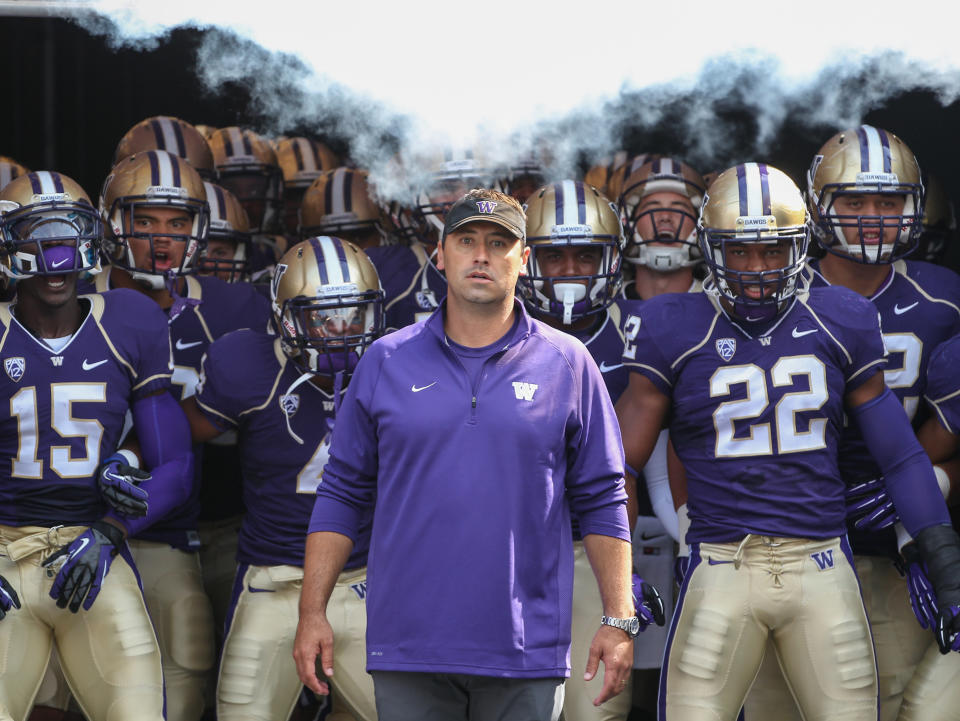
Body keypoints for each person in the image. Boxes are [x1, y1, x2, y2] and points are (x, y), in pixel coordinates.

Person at [614, 162, 960, 721]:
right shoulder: (673, 324)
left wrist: (941, 555)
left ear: (800, 246)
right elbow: (621, 466)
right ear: (711, 247)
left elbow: (899, 456)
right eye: (740, 251)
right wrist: (618, 567)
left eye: (773, 251)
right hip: (720, 563)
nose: (756, 268)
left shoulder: (841, 317)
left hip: (821, 562)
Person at [294, 188, 636, 721]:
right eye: (467, 240)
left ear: (523, 260)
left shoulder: (569, 362)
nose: (482, 255)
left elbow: (603, 498)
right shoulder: (386, 359)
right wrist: (311, 611)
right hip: (410, 645)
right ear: (440, 254)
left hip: (527, 649)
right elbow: (341, 493)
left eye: (499, 243)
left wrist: (619, 616)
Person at [0, 170, 194, 721]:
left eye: (66, 239)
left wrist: (113, 528)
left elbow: (176, 468)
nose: (54, 259)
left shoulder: (128, 320)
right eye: (37, 240)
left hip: (92, 550)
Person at [96, 149, 272, 721]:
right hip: (75, 515)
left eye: (177, 224)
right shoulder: (67, 300)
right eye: (144, 221)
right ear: (113, 222)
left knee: (197, 662)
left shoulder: (236, 307)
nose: (161, 239)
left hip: (213, 521)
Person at [181, 236, 383, 721]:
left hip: (366, 580)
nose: (338, 331)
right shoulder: (247, 365)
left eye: (352, 315)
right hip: (273, 580)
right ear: (285, 317)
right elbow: (180, 430)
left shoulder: (394, 368)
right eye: (321, 316)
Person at [520, 180, 666, 721]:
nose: (570, 271)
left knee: (599, 708)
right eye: (554, 256)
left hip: (600, 547)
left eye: (586, 254)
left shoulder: (648, 330)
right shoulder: (485, 330)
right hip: (505, 548)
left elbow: (675, 447)